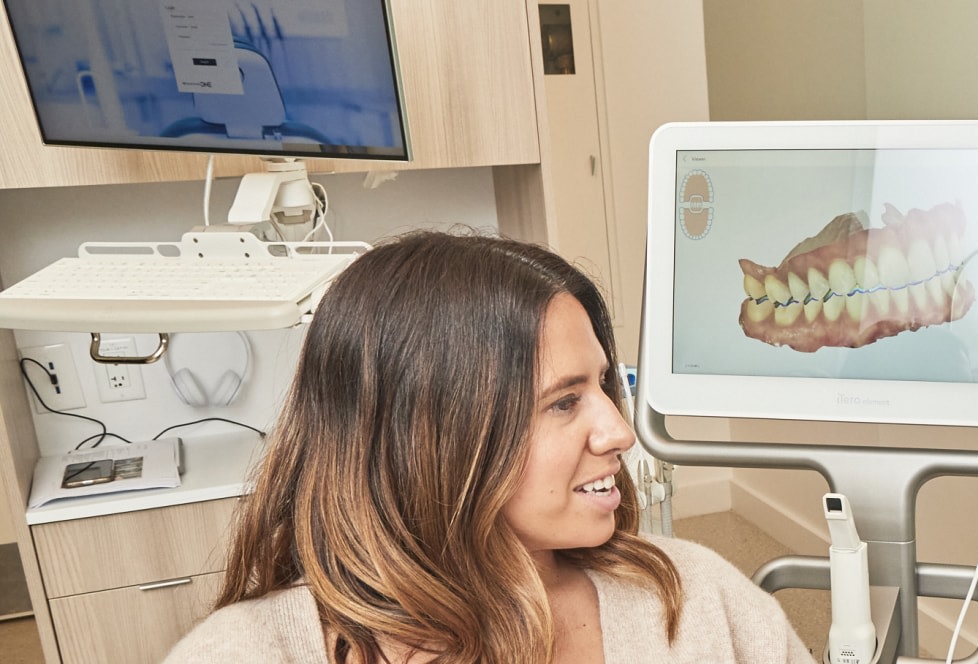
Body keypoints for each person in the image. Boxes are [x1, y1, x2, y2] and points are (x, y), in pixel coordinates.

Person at [164, 232, 812, 663]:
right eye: (564, 400)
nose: (619, 431)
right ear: (429, 439)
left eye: (605, 385)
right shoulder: (250, 651)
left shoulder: (692, 600)